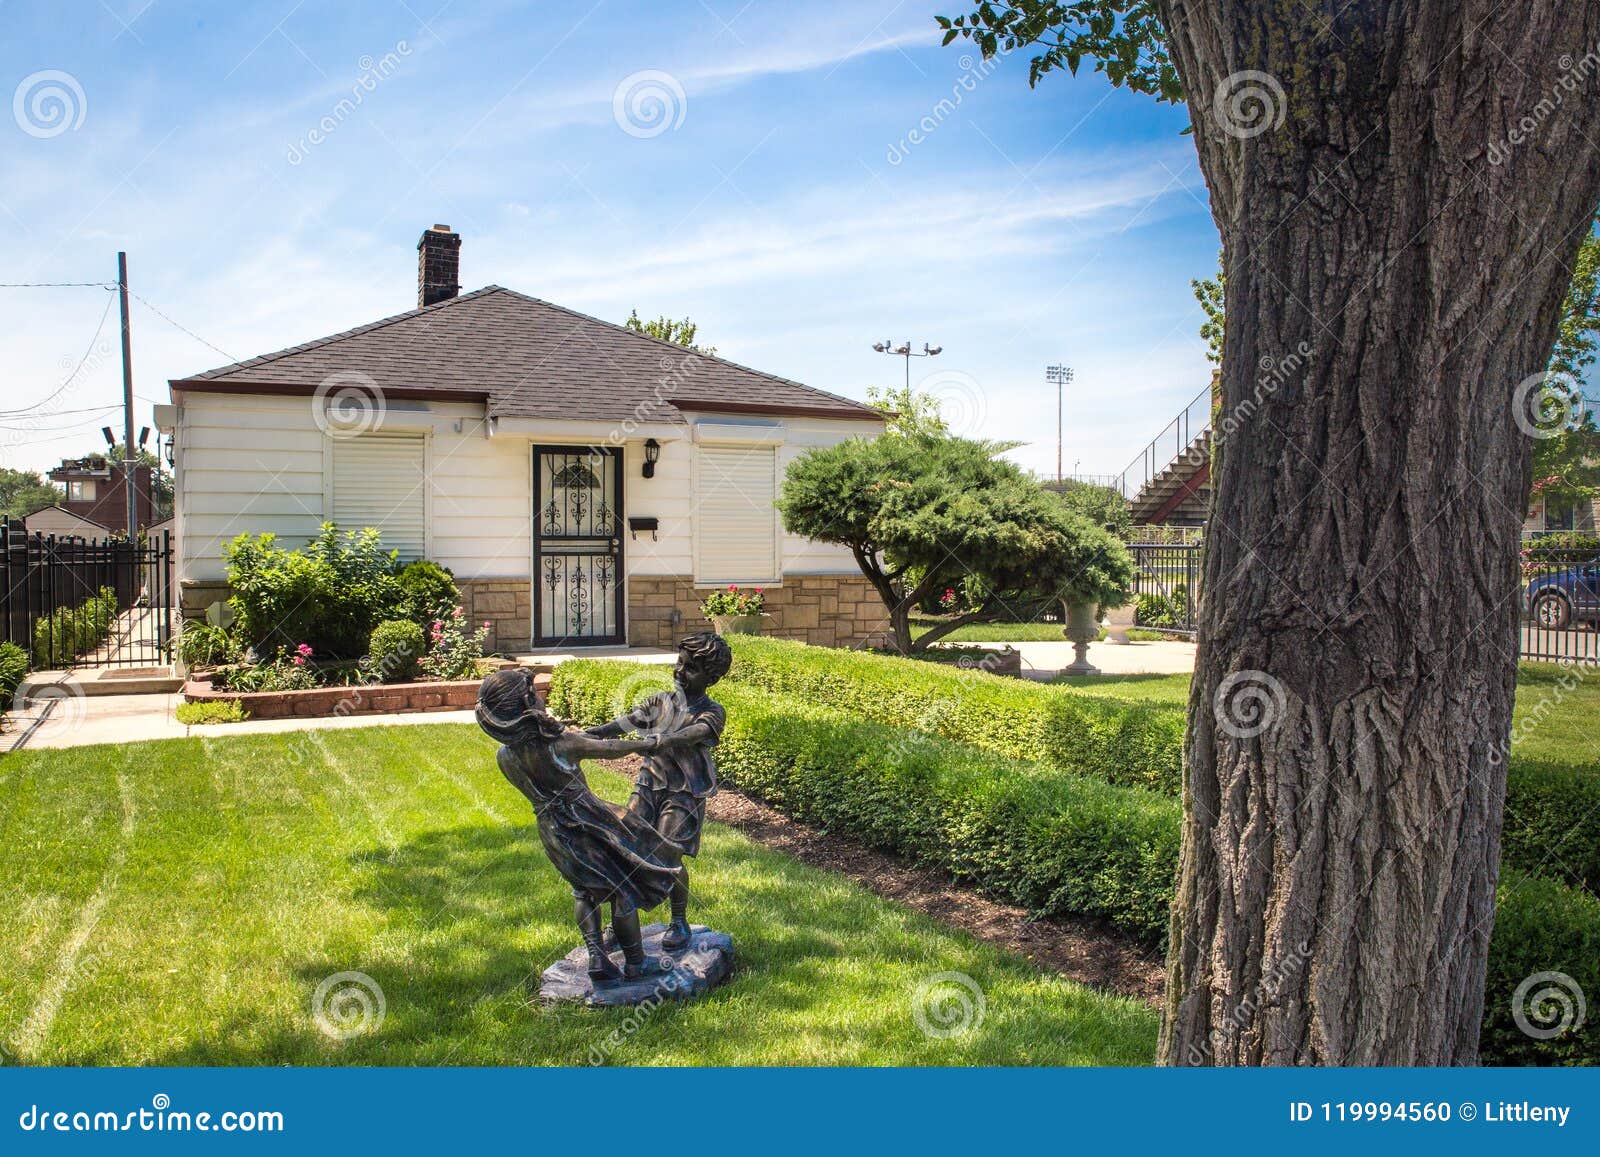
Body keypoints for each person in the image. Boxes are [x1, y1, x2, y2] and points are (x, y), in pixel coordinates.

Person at [476, 667, 683, 987]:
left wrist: (621, 722)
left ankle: (597, 956)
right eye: (535, 694)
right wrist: (651, 742)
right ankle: (636, 963)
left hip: (550, 830)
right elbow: (611, 749)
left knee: (583, 891)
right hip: (588, 823)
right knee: (622, 891)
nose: (541, 698)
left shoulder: (505, 755)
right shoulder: (560, 744)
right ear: (526, 705)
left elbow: (585, 740)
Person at [585, 631, 732, 952]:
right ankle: (622, 920)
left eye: (691, 667)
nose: (680, 671)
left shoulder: (712, 711)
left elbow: (694, 733)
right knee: (628, 848)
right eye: (679, 662)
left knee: (667, 855)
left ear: (712, 678)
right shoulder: (659, 701)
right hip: (649, 783)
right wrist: (594, 734)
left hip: (684, 793)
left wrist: (661, 739)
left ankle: (678, 919)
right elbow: (629, 721)